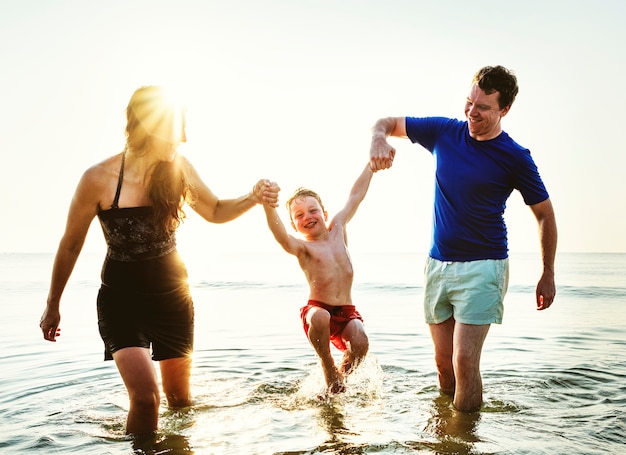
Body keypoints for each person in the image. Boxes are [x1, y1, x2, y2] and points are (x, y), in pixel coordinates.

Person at [39, 86, 279, 435]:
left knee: (180, 399)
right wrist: (53, 305)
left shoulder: (179, 169)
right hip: (121, 301)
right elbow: (71, 244)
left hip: (172, 299)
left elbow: (214, 210)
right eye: (175, 129)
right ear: (149, 126)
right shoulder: (98, 179)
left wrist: (252, 197)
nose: (182, 138)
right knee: (147, 398)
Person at [369, 65, 558, 412]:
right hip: (437, 265)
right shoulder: (443, 132)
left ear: (504, 110)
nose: (472, 112)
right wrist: (379, 139)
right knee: (444, 366)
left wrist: (548, 272)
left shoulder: (515, 157)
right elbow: (385, 122)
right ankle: (448, 437)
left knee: (464, 361)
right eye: (469, 103)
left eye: (483, 107)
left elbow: (544, 214)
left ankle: (465, 445)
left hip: (484, 267)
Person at [261, 164, 374, 393]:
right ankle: (328, 367)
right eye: (299, 215)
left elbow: (355, 196)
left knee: (361, 341)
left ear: (324, 214)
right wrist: (268, 204)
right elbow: (281, 236)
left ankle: (339, 381)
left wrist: (371, 166)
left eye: (313, 211)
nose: (308, 217)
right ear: (294, 225)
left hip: (346, 311)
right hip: (317, 311)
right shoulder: (303, 248)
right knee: (321, 316)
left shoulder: (338, 229)